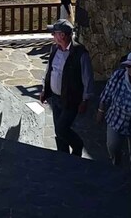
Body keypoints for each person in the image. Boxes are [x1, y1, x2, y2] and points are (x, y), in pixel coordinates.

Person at [39, 19, 94, 157]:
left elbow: (87, 78)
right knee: (59, 132)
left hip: (71, 99)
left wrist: (85, 100)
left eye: (55, 33)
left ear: (62, 35)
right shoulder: (54, 49)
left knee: (62, 129)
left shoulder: (80, 53)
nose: (53, 36)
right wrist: (44, 89)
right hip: (55, 98)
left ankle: (77, 145)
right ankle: (63, 157)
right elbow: (49, 70)